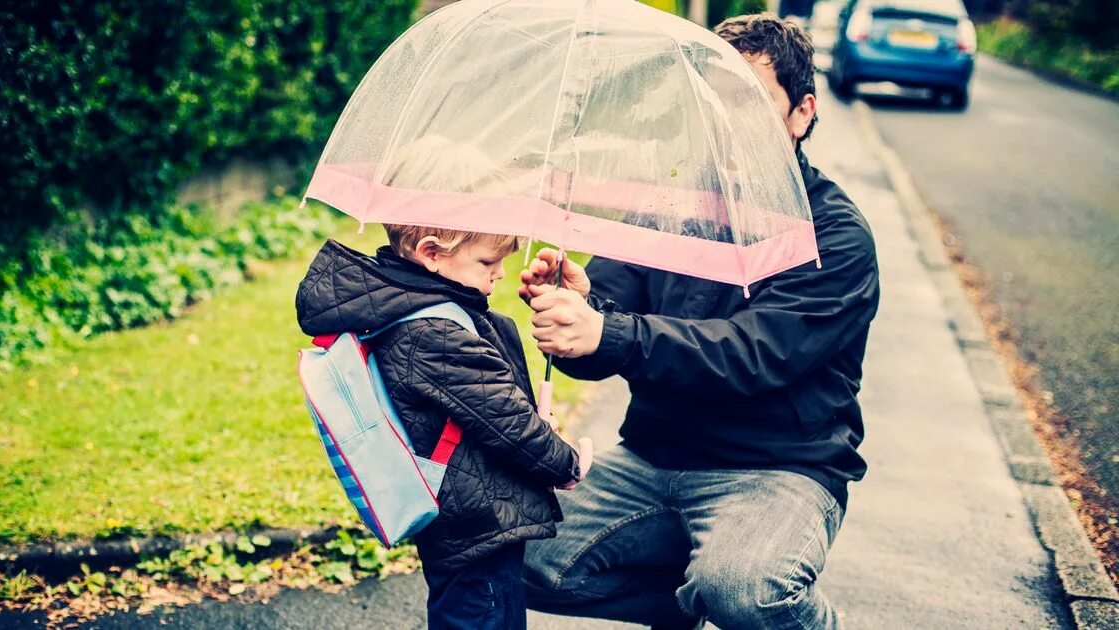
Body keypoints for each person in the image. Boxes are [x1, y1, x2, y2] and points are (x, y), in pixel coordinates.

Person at [520, 14, 880, 630]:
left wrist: (610, 331)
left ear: (801, 113)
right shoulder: (673, 206)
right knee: (508, 549)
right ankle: (696, 599)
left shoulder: (835, 238)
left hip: (778, 469)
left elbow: (752, 354)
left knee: (747, 589)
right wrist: (582, 307)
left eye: (749, 102)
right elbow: (607, 337)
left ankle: (738, 599)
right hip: (654, 457)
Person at [295, 136, 589, 630]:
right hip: (478, 525)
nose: (500, 274)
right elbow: (509, 425)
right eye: (487, 263)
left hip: (470, 516)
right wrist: (566, 461)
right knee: (483, 616)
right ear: (432, 252)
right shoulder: (434, 333)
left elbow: (489, 402)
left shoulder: (415, 305)